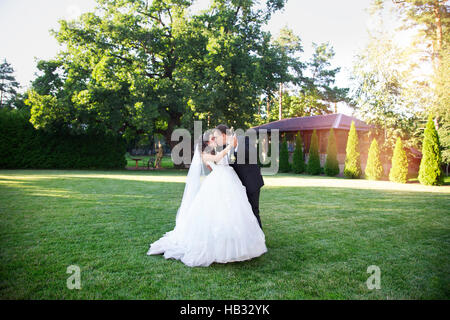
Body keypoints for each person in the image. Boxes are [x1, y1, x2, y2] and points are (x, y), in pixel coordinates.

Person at [147, 131, 267, 267]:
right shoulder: (205, 154)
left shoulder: (216, 150)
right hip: (219, 182)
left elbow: (226, 160)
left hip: (230, 181)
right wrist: (230, 146)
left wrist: (229, 147)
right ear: (207, 143)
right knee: (218, 211)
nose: (215, 139)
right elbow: (216, 160)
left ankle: (236, 239)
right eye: (212, 138)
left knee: (233, 212)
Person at [214, 124, 265, 229]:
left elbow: (252, 154)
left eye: (217, 137)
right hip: (238, 186)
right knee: (243, 214)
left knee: (253, 211)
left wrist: (236, 147)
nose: (216, 139)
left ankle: (259, 240)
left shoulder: (243, 139)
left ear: (223, 135)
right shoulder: (224, 147)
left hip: (251, 182)